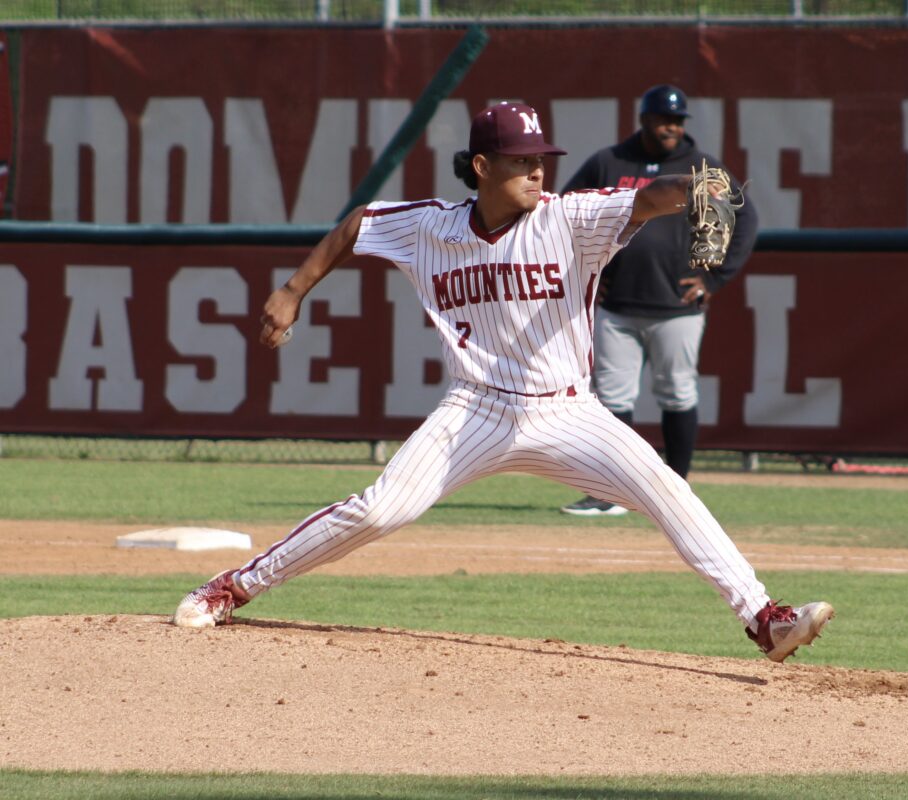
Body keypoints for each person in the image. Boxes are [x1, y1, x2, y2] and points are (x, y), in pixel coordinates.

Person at [171, 101, 832, 663]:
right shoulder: (430, 226)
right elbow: (356, 226)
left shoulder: (567, 218)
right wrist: (292, 289)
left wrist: (691, 190)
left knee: (666, 486)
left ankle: (763, 618)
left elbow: (647, 199)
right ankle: (233, 588)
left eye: (540, 157)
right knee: (378, 510)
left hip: (569, 414)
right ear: (482, 167)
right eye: (520, 160)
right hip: (474, 412)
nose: (536, 169)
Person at [558, 84, 758, 517]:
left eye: (678, 119)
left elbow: (746, 218)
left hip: (677, 305)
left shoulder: (704, 168)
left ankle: (677, 490)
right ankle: (611, 492)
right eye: (664, 118)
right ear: (644, 119)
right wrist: (584, 273)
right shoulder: (610, 162)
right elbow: (563, 214)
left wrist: (715, 277)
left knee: (677, 392)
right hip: (618, 304)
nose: (672, 126)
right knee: (610, 399)